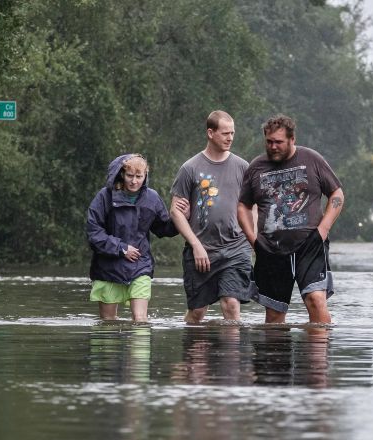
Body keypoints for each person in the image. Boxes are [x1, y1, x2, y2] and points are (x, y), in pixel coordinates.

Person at [237, 114, 344, 324]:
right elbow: (243, 206)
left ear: (292, 139)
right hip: (271, 249)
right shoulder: (256, 167)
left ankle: (318, 355)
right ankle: (275, 357)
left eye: (279, 142)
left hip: (310, 245)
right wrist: (253, 240)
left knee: (316, 300)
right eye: (269, 142)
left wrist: (323, 230)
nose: (273, 146)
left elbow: (337, 194)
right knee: (275, 314)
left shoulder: (312, 159)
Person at [170, 110, 254, 323]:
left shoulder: (243, 167)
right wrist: (196, 245)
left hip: (236, 248)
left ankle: (231, 356)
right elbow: (175, 212)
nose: (230, 138)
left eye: (232, 133)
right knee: (198, 313)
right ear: (210, 133)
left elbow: (253, 205)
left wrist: (253, 237)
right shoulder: (190, 168)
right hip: (201, 250)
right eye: (225, 133)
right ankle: (193, 353)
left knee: (231, 304)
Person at [86, 153, 178, 322]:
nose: (134, 181)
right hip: (108, 267)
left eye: (139, 176)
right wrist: (121, 248)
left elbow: (163, 228)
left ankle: (139, 346)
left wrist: (180, 217)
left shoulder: (152, 198)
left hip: (139, 265)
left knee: (140, 319)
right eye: (130, 176)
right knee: (108, 322)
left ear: (145, 176)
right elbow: (94, 232)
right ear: (122, 174)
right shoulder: (104, 196)